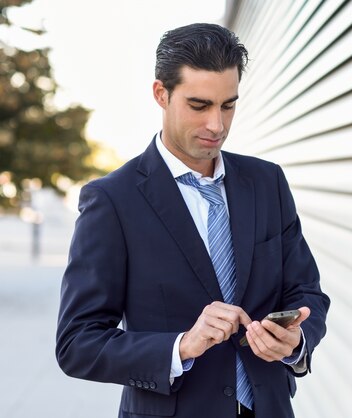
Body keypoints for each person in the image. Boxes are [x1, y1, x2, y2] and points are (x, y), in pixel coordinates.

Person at [56, 23, 330, 418]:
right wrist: (181, 345)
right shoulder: (112, 200)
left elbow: (307, 293)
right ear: (161, 94)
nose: (217, 125)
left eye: (228, 105)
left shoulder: (267, 182)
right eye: (199, 106)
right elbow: (77, 344)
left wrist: (296, 340)